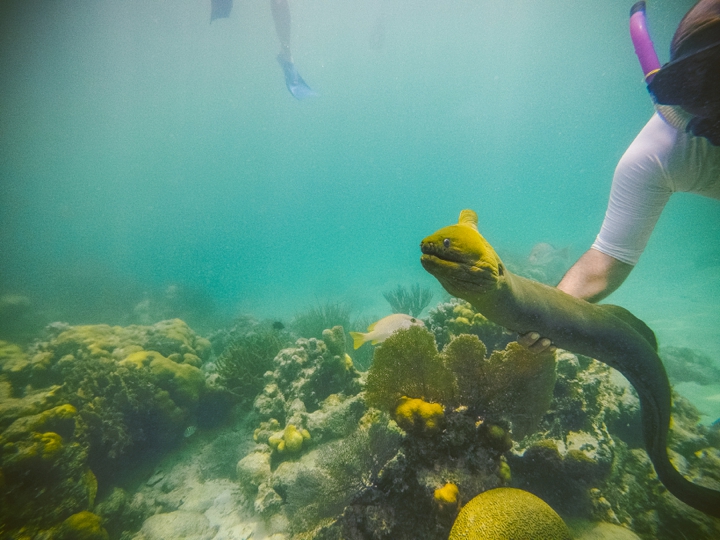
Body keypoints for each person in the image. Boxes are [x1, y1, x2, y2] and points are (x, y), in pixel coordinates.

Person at [521, 0, 720, 353]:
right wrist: (548, 316)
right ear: (678, 98)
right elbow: (604, 264)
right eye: (702, 82)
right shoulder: (664, 152)